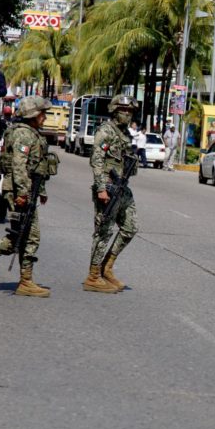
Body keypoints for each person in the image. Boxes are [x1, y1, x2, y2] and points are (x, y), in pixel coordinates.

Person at [0, 96, 54, 298]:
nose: (44, 117)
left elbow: (35, 166)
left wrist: (39, 191)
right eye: (41, 113)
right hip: (20, 191)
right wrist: (23, 194)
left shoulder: (28, 133)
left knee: (20, 235)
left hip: (25, 189)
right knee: (29, 236)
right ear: (32, 115)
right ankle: (24, 280)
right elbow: (19, 166)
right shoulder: (24, 136)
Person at [84, 95, 139, 293]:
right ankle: (93, 275)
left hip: (122, 188)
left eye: (130, 111)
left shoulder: (125, 134)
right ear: (115, 111)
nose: (128, 114)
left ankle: (106, 267)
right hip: (107, 188)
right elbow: (96, 160)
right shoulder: (105, 131)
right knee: (104, 231)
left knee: (130, 228)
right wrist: (100, 188)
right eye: (125, 110)